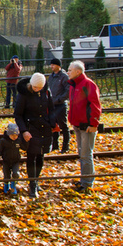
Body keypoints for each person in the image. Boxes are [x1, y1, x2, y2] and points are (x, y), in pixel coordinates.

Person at [14, 71, 55, 199]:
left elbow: (51, 108)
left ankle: (36, 181)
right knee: (32, 156)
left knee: (41, 155)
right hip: (31, 129)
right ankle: (32, 184)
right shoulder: (24, 94)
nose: (37, 89)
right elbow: (18, 114)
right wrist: (24, 130)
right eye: (35, 87)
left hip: (44, 128)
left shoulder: (46, 92)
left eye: (40, 87)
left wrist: (52, 123)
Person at [68, 60, 101, 194]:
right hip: (77, 124)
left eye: (70, 70)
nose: (68, 72)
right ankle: (84, 179)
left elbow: (95, 104)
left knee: (86, 155)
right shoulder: (74, 84)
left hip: (87, 126)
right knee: (82, 154)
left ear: (78, 71)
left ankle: (87, 184)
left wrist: (93, 124)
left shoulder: (88, 84)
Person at [47, 58, 71, 153]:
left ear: (58, 66)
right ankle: (55, 145)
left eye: (53, 65)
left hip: (61, 105)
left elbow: (68, 90)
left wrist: (60, 99)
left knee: (63, 126)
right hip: (52, 104)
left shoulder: (64, 76)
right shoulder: (51, 76)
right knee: (54, 125)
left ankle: (65, 146)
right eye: (51, 65)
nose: (51, 66)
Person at [0, 122, 22, 196]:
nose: (14, 137)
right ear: (8, 134)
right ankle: (6, 185)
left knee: (16, 173)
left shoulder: (18, 140)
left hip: (15, 161)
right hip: (6, 161)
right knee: (6, 175)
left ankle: (13, 186)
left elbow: (24, 147)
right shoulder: (3, 141)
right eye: (12, 135)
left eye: (16, 135)